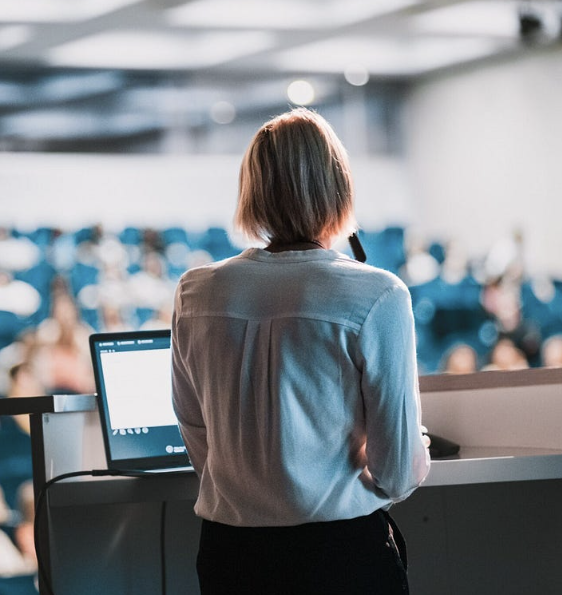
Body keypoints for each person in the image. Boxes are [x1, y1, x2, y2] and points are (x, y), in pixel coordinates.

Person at [171, 108, 430, 595]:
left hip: (231, 556)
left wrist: (258, 489)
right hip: (339, 556)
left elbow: (197, 434)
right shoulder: (378, 294)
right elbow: (397, 473)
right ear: (338, 187)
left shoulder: (195, 292)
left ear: (252, 190)